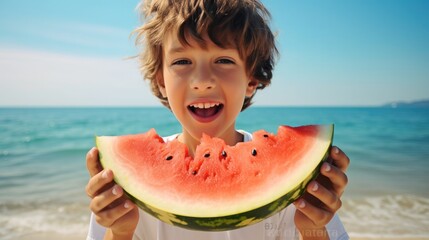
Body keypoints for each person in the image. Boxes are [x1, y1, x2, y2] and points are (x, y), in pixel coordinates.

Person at [85, 0, 350, 239]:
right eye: (182, 62)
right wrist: (119, 232)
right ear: (161, 81)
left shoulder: (295, 190)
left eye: (223, 60)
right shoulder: (126, 191)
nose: (202, 81)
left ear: (252, 80)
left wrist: (313, 231)